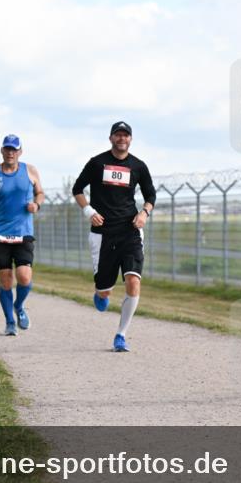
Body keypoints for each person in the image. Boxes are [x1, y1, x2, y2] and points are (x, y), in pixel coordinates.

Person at [72, 121, 156, 352]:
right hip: (103, 234)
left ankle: (121, 335)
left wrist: (144, 213)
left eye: (125, 135)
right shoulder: (97, 163)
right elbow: (77, 189)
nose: (122, 139)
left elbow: (150, 194)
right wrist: (89, 211)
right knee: (105, 290)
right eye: (117, 135)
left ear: (131, 139)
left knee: (133, 280)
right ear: (110, 138)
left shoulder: (138, 166)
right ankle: (101, 293)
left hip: (130, 230)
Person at [0, 134, 45, 336]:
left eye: (14, 149)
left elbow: (40, 192)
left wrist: (36, 204)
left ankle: (19, 306)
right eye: (7, 148)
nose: (10, 152)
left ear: (20, 152)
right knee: (6, 280)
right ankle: (9, 322)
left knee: (24, 277)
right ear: (1, 150)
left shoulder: (30, 170)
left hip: (23, 232)